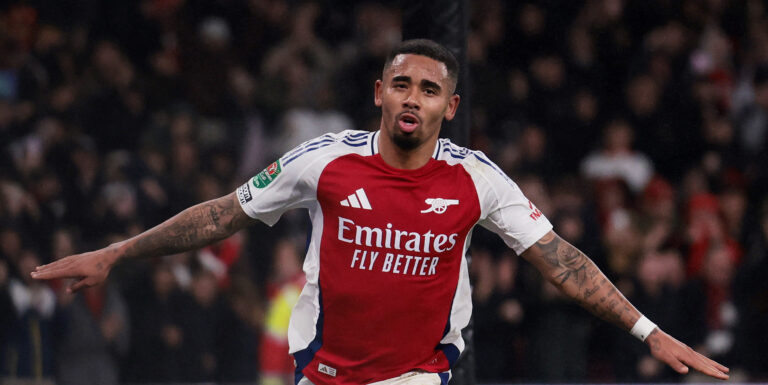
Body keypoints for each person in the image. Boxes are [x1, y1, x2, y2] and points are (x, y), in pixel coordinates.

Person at [31, 39, 729, 385]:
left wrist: (648, 331)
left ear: (448, 107)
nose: (412, 98)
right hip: (322, 370)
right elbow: (221, 215)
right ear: (379, 92)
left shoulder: (477, 178)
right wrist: (116, 253)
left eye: (428, 89)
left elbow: (561, 260)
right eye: (401, 83)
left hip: (417, 375)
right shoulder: (323, 161)